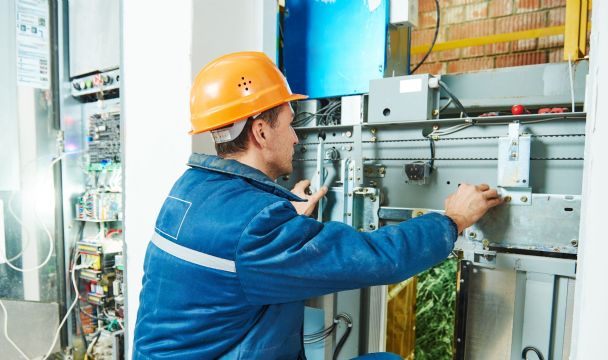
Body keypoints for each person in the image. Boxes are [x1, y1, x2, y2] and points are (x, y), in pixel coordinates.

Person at [133, 52, 503, 360]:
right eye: (290, 125)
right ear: (261, 131)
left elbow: (230, 251)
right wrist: (453, 219)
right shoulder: (256, 227)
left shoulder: (191, 188)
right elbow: (375, 257)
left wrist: (287, 215)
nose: (296, 138)